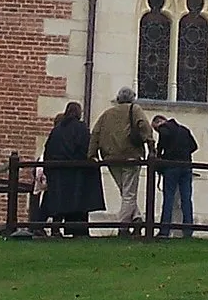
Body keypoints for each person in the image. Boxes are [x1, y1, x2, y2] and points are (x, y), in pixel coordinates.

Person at [90, 86, 158, 235]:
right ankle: (124, 226)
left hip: (110, 157)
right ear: (132, 98)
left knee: (126, 191)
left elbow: (95, 133)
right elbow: (144, 126)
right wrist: (151, 146)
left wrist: (92, 154)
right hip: (130, 156)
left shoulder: (107, 114)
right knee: (129, 193)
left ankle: (137, 218)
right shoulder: (135, 109)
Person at [39, 102, 102, 238]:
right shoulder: (81, 128)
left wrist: (49, 168)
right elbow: (87, 148)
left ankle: (55, 229)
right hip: (76, 172)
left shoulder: (57, 130)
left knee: (58, 201)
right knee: (76, 201)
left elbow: (48, 150)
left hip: (57, 171)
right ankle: (77, 230)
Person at [152, 113, 198, 238]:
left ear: (159, 122)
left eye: (155, 128)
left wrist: (165, 155)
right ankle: (188, 230)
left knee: (169, 199)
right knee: (186, 199)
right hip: (186, 166)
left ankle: (164, 230)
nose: (157, 131)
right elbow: (194, 146)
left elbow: (161, 148)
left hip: (171, 168)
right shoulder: (184, 130)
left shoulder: (164, 129)